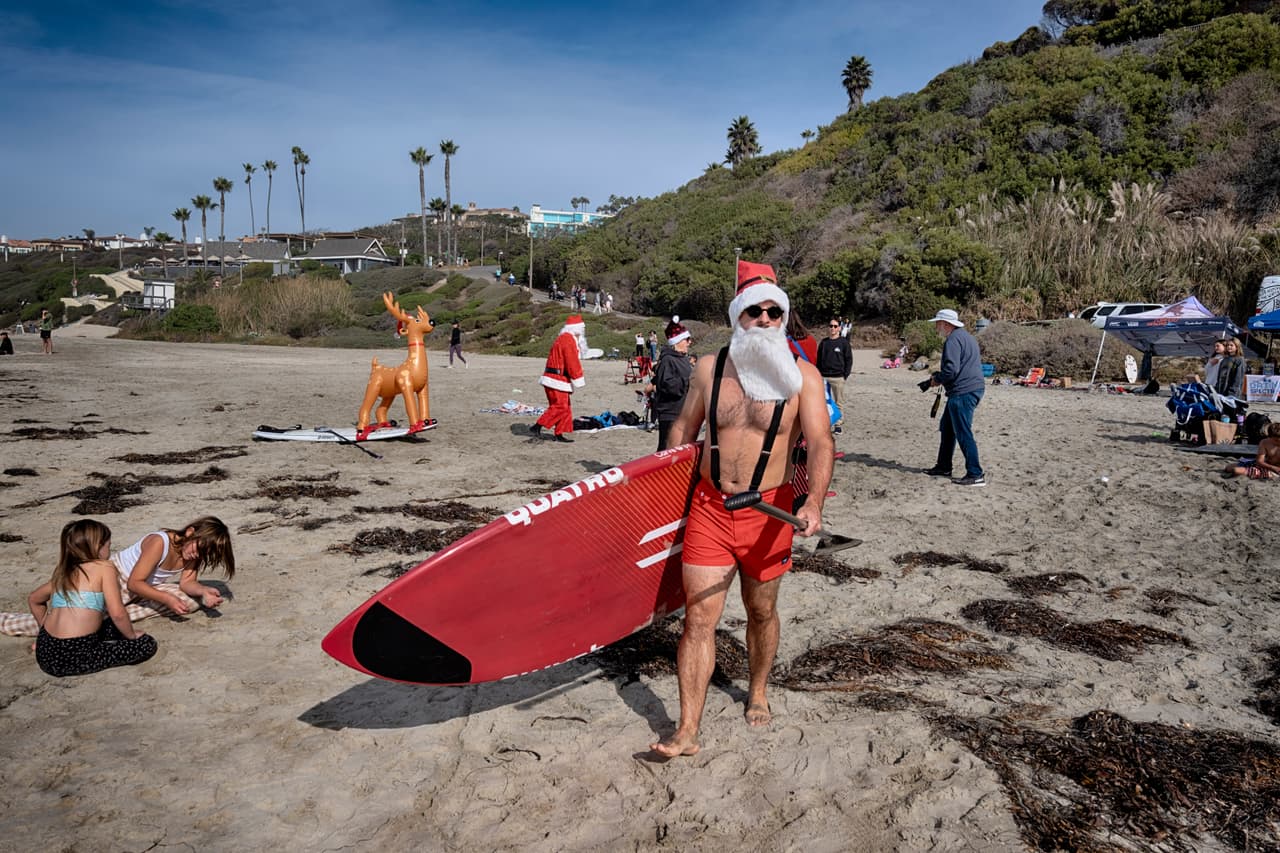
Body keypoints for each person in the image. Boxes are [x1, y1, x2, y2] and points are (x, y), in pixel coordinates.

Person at [651, 261, 834, 758]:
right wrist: (669, 496)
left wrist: (813, 500)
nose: (765, 319)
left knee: (761, 609)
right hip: (711, 508)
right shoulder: (709, 369)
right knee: (698, 619)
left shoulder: (805, 378)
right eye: (755, 310)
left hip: (770, 512)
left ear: (783, 318)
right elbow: (681, 435)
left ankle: (756, 689)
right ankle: (687, 729)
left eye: (775, 312)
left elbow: (820, 442)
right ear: (739, 316)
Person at [27, 520, 157, 677]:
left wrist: (44, 629)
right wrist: (131, 636)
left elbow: (34, 599)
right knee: (146, 644)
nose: (109, 550)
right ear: (99, 547)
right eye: (109, 546)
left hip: (45, 649)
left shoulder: (64, 570)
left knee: (108, 626)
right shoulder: (104, 567)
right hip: (72, 655)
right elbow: (117, 613)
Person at [115, 517, 236, 615]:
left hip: (143, 588)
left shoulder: (194, 554)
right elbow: (134, 583)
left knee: (189, 602)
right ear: (190, 532)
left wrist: (203, 591)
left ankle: (121, 614)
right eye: (199, 549)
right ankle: (114, 614)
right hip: (118, 579)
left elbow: (187, 582)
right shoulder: (160, 542)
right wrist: (166, 598)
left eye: (204, 554)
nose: (198, 555)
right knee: (104, 607)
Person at [923, 308, 986, 486]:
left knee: (963, 432)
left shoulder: (953, 340)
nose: (936, 327)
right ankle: (943, 466)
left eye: (938, 323)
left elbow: (951, 370)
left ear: (945, 324)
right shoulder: (966, 337)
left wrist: (937, 379)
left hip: (963, 391)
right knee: (948, 429)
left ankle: (976, 473)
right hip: (970, 388)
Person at [531, 314, 588, 443]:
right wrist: (578, 377)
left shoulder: (564, 339)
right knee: (561, 406)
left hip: (555, 378)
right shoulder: (568, 340)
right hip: (557, 379)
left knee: (564, 407)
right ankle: (537, 426)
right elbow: (571, 361)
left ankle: (559, 433)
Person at [643, 321, 694, 451]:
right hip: (670, 412)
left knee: (680, 450)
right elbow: (668, 385)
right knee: (666, 449)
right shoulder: (668, 359)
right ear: (678, 341)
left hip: (683, 410)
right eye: (687, 339)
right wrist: (690, 381)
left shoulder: (683, 359)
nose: (689, 342)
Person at [816, 317, 853, 434]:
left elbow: (849, 360)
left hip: (838, 377)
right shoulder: (824, 342)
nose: (832, 328)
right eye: (831, 326)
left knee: (838, 402)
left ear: (839, 328)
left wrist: (844, 375)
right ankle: (824, 424)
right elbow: (818, 360)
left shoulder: (843, 343)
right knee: (823, 402)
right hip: (824, 377)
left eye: (835, 326)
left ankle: (838, 425)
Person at [1215, 337, 1247, 416]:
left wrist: (1232, 393)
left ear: (1237, 347)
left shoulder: (1240, 360)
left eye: (1231, 345)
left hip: (1232, 394)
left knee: (1231, 415)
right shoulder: (1224, 360)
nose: (1229, 347)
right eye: (1228, 345)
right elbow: (1219, 376)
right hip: (1221, 391)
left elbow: (1238, 378)